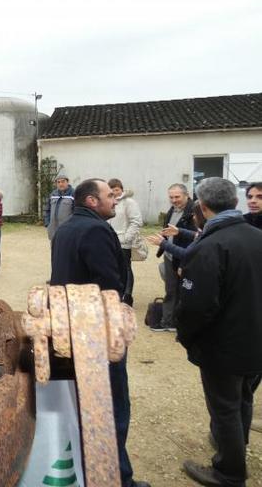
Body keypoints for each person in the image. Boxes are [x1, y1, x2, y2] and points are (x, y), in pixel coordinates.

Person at [50, 179, 149, 487]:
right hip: (97, 332)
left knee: (88, 407)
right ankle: (118, 479)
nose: (115, 201)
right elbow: (109, 286)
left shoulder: (65, 228)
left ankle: (93, 470)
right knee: (112, 410)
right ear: (92, 201)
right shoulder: (96, 230)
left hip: (72, 327)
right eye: (109, 196)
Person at [176, 177, 262, 487]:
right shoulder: (256, 236)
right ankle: (236, 446)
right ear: (237, 203)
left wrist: (186, 336)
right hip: (255, 340)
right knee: (243, 398)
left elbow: (196, 306)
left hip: (224, 346)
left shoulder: (210, 245)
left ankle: (229, 472)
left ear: (201, 207)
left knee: (224, 407)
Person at [153, 183, 196, 332]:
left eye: (177, 197)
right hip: (170, 254)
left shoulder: (193, 212)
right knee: (171, 289)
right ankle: (169, 321)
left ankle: (175, 322)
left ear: (186, 195)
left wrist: (183, 263)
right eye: (171, 197)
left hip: (183, 257)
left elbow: (194, 239)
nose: (174, 200)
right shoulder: (172, 210)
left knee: (183, 290)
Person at [107, 179, 143, 305]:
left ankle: (127, 295)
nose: (114, 192)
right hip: (110, 241)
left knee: (126, 268)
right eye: (111, 190)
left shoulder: (129, 202)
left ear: (121, 189)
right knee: (112, 268)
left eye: (117, 189)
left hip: (123, 241)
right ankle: (116, 294)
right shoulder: (108, 202)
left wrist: (126, 237)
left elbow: (136, 221)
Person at [44, 174, 74, 241]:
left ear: (67, 182)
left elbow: (77, 212)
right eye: (58, 182)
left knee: (67, 249)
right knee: (54, 249)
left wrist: (73, 225)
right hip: (53, 229)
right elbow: (47, 210)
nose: (61, 184)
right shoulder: (53, 194)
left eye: (63, 181)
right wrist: (47, 223)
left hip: (68, 229)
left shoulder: (73, 194)